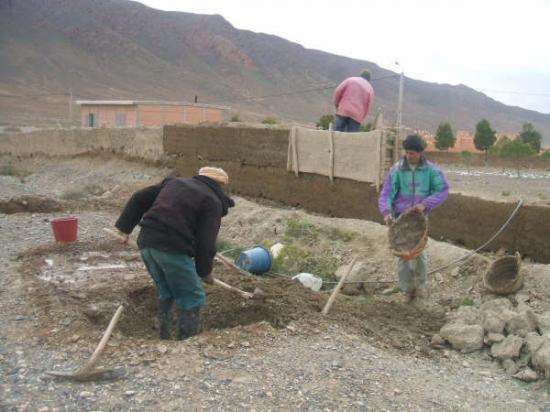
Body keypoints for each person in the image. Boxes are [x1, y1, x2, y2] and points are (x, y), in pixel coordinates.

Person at [114, 167, 234, 340]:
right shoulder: (212, 201)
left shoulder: (173, 183)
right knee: (193, 295)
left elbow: (139, 197)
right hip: (172, 249)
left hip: (147, 242)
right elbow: (205, 242)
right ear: (221, 185)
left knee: (167, 290)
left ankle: (165, 336)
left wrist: (124, 229)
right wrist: (205, 272)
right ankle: (187, 343)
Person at [378, 134, 449, 303]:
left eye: (412, 153)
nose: (408, 156)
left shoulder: (431, 170)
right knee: (403, 256)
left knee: (419, 255)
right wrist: (386, 212)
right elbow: (386, 193)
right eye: (407, 152)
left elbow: (443, 190)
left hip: (419, 219)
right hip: (400, 219)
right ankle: (405, 290)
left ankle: (421, 287)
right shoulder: (396, 169)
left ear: (420, 153)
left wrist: (425, 204)